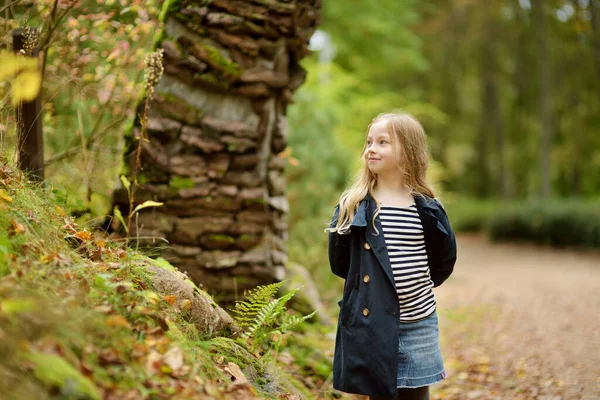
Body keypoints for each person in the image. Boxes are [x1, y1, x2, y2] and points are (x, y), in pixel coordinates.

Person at [324, 112, 457, 400]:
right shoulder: (354, 206)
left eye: (383, 142)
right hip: (374, 324)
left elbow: (444, 259)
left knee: (417, 395)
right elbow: (340, 263)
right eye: (369, 142)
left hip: (419, 321)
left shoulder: (427, 207)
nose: (371, 148)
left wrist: (413, 287)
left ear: (408, 152)